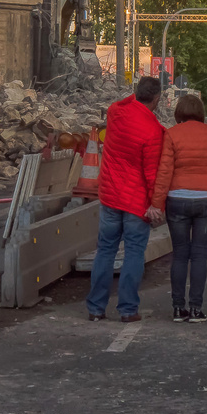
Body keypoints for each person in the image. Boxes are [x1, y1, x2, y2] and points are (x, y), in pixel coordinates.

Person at [87, 76, 166, 322]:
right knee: (133, 253)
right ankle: (128, 309)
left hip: (110, 197)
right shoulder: (153, 130)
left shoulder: (115, 112)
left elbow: (126, 102)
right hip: (136, 203)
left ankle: (95, 308)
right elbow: (152, 174)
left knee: (105, 251)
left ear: (136, 93)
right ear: (157, 99)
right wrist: (157, 204)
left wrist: (138, 96)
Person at [151, 93, 207, 323]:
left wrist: (157, 203)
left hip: (177, 199)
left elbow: (164, 171)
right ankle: (196, 309)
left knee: (180, 254)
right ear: (201, 113)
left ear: (179, 112)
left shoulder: (172, 134)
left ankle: (178, 309)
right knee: (199, 255)